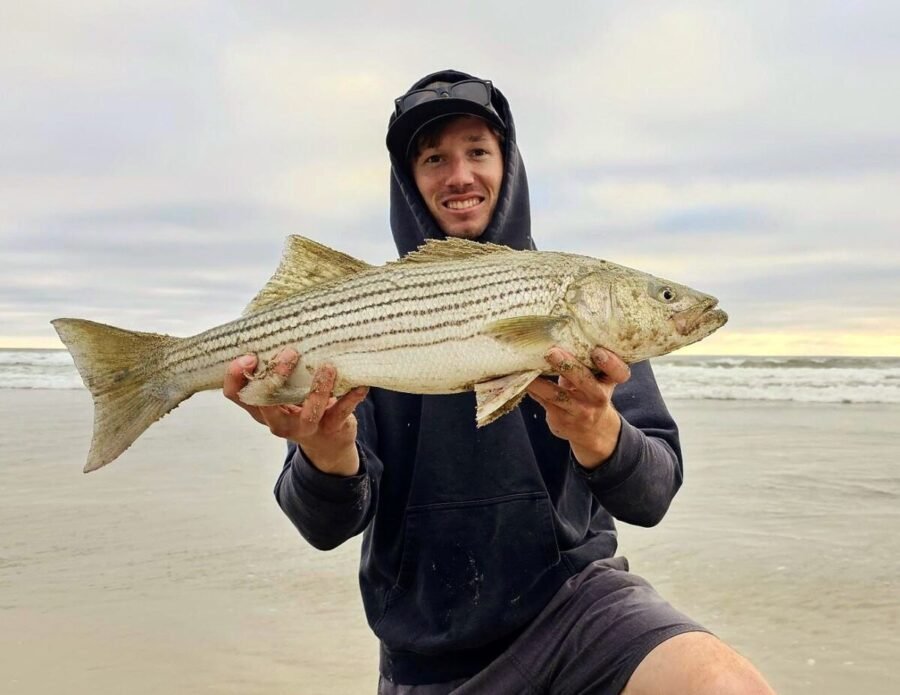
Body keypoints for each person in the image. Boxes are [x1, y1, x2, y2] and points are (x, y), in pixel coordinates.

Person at [224, 70, 775, 694]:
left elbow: (653, 496)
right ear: (409, 181)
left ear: (508, 166)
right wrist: (325, 456)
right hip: (425, 648)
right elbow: (322, 527)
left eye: (478, 151)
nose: (459, 175)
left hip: (578, 610)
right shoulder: (365, 318)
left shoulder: (587, 317)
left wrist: (600, 430)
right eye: (434, 158)